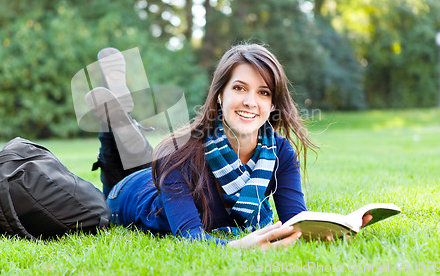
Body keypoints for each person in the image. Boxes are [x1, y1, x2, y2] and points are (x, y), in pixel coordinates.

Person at [85, 44, 364, 249]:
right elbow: (190, 237)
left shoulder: (280, 153)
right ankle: (115, 119)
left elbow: (296, 222)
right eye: (239, 88)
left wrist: (338, 227)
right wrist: (235, 248)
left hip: (161, 173)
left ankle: (122, 115)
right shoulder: (179, 156)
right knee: (126, 163)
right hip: (131, 194)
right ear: (220, 94)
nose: (250, 102)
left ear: (273, 104)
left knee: (147, 155)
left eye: (263, 92)